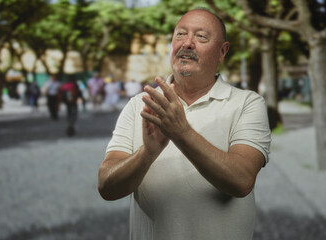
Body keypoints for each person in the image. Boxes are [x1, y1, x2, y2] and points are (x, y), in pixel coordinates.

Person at [98, 8, 271, 240]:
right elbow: (107, 187)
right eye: (180, 34)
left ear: (222, 51)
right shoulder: (139, 105)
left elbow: (241, 181)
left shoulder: (247, 103)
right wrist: (147, 153)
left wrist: (181, 132)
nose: (187, 43)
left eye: (201, 37)